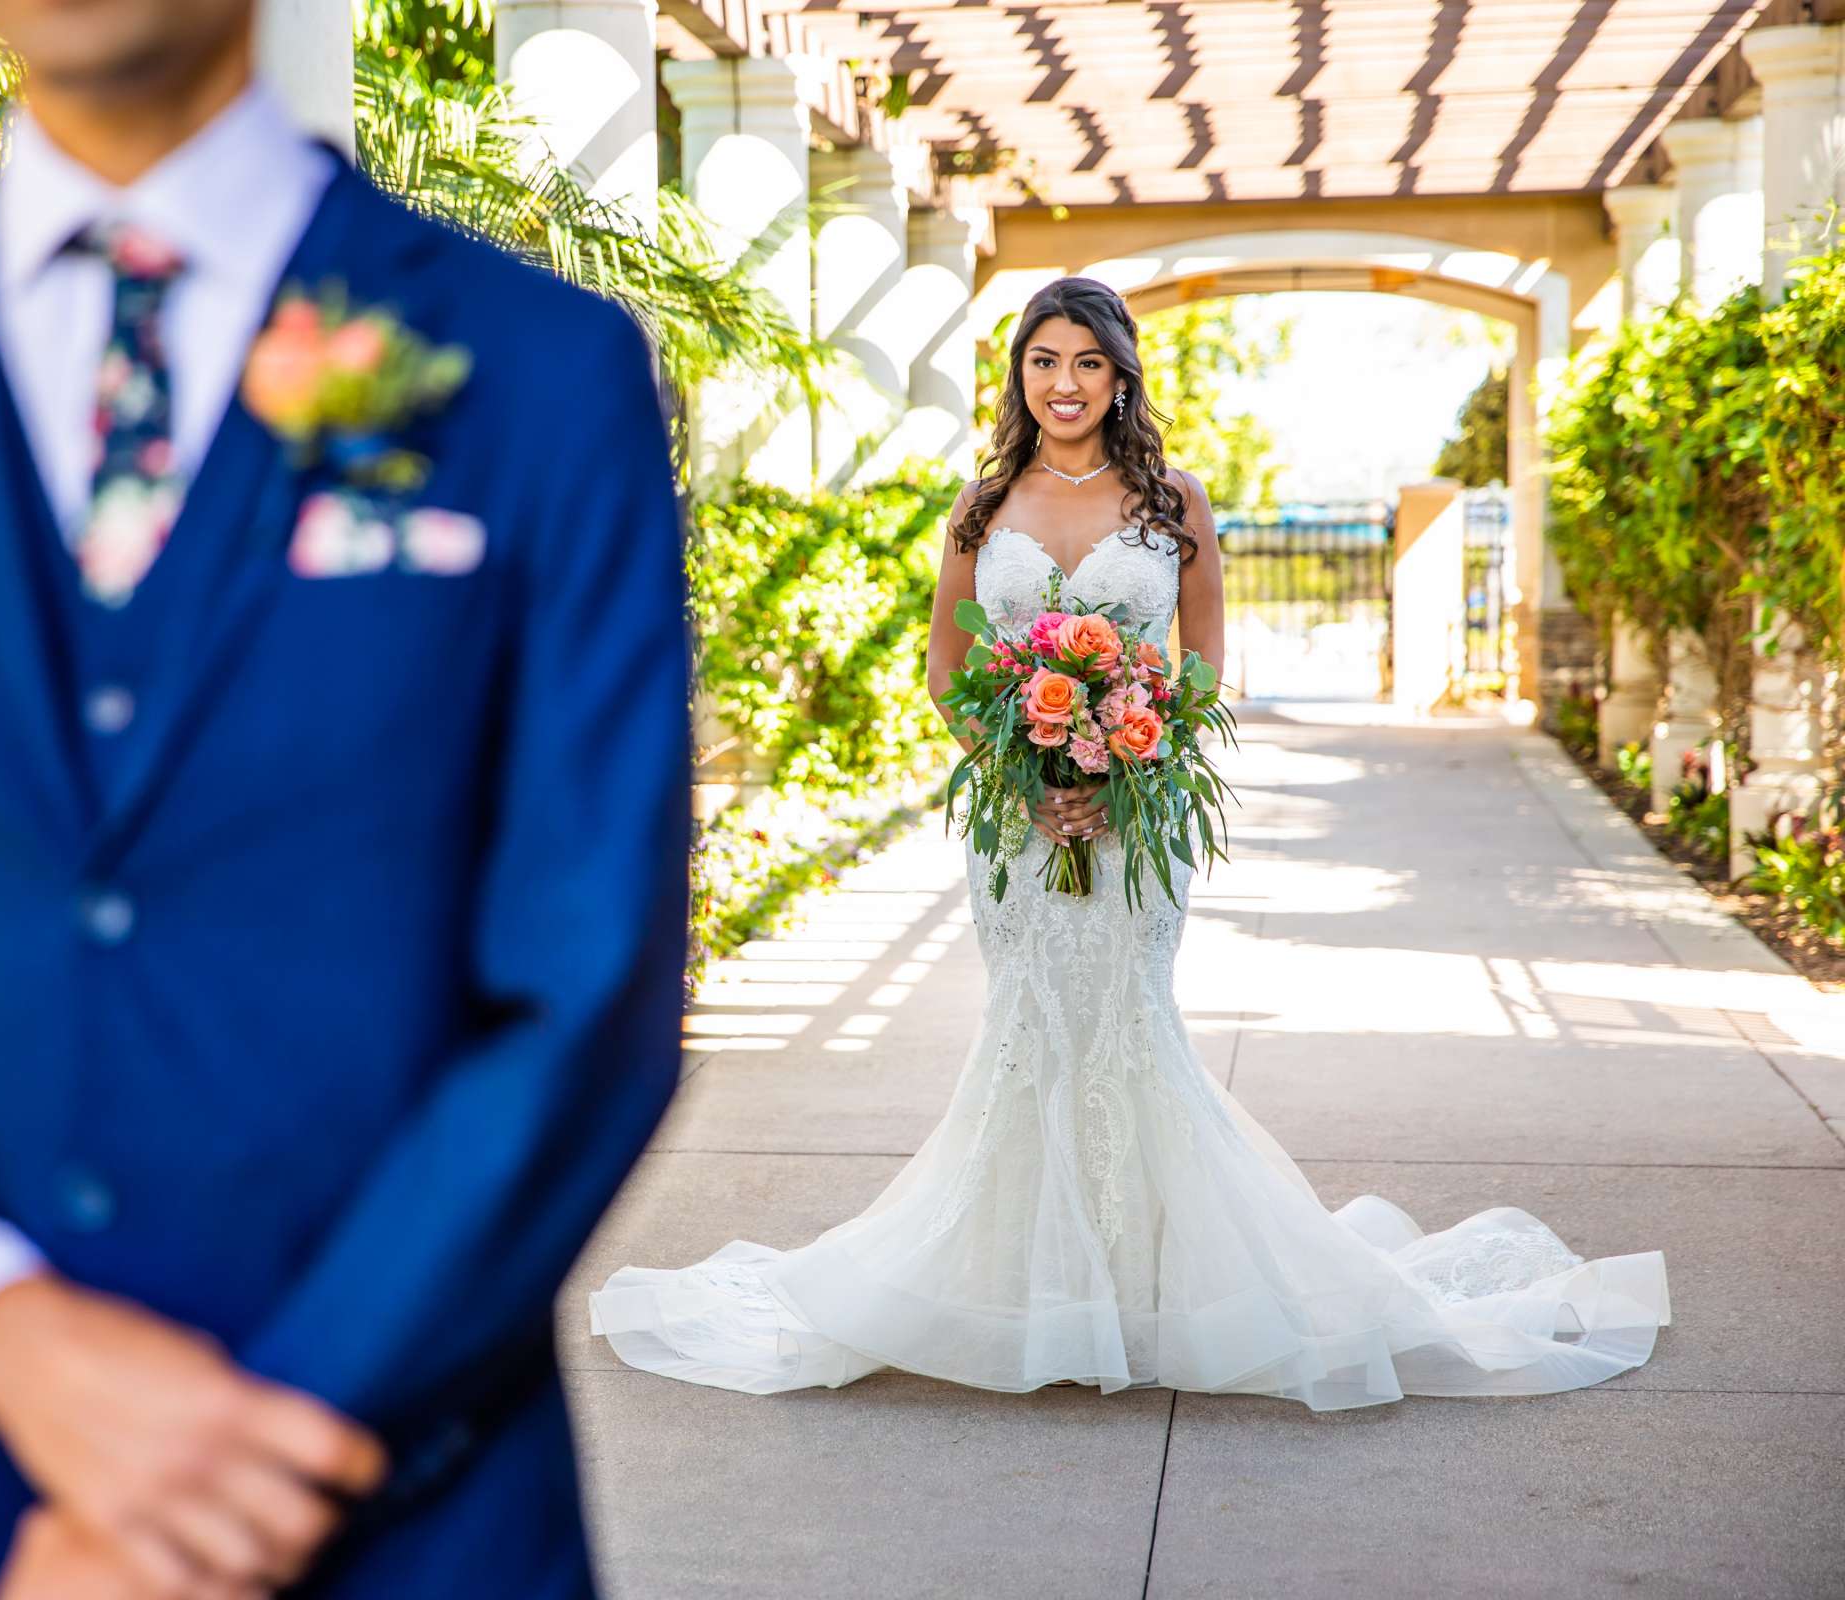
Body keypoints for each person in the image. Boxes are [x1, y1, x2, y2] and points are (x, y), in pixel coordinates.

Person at [0, 2, 691, 1594]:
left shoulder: (542, 377)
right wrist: (5, 1341)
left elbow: (586, 991)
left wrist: (233, 1471)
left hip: (395, 1517)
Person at [590, 276, 1670, 1408]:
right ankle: (1028, 1281)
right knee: (1030, 1029)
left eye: (1087, 362)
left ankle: (1141, 1283)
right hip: (1015, 829)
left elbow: (1202, 666)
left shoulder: (1173, 502)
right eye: (1044, 360)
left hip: (1135, 823)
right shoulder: (981, 504)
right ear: (1019, 373)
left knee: (1125, 1022)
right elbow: (947, 675)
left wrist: (1123, 765)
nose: (1063, 384)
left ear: (1120, 376)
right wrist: (1025, 770)